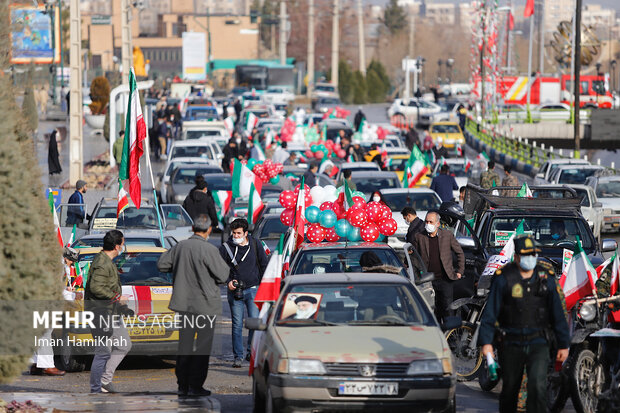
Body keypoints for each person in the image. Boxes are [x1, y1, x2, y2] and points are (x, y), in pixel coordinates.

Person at [478, 234, 569, 413]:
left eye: (534, 254)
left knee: (537, 387)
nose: (531, 258)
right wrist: (486, 343)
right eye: (527, 255)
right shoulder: (503, 278)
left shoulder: (546, 277)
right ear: (518, 256)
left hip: (539, 342)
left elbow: (558, 313)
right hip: (511, 343)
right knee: (510, 389)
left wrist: (563, 345)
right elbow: (491, 313)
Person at [157, 215, 229, 397]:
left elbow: (162, 264)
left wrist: (179, 268)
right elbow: (223, 275)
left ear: (192, 227)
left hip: (184, 306)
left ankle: (183, 385)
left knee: (185, 346)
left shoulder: (180, 247)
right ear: (209, 230)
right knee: (202, 348)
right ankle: (196, 385)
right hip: (205, 306)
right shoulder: (209, 249)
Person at [85, 230, 132, 393]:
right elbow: (95, 287)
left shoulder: (108, 261)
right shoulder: (102, 263)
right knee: (103, 353)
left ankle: (105, 380)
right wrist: (116, 297)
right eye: (123, 244)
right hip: (101, 314)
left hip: (112, 313)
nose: (123, 247)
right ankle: (96, 388)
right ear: (117, 245)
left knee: (124, 344)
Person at [219, 219, 268, 368]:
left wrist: (263, 284)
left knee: (254, 322)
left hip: (253, 289)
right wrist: (228, 281)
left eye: (239, 233)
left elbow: (264, 264)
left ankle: (250, 352)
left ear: (246, 233)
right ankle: (238, 356)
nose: (236, 235)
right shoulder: (226, 248)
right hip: (235, 291)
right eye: (233, 233)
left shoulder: (255, 244)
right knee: (237, 324)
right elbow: (219, 268)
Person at [413, 211, 465, 323]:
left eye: (430, 222)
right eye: (426, 221)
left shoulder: (447, 235)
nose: (428, 224)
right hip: (428, 280)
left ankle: (449, 335)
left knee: (447, 308)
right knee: (432, 309)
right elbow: (414, 258)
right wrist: (417, 276)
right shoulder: (419, 237)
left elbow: (459, 253)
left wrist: (460, 270)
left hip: (445, 278)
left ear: (437, 223)